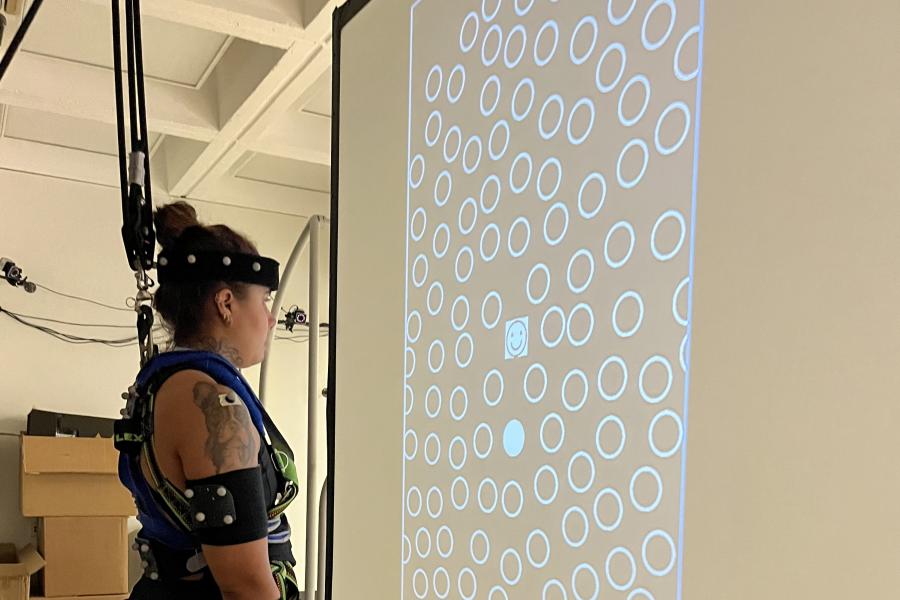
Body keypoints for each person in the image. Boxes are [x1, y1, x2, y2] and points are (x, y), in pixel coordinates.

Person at [116, 201, 300, 599]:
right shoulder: (211, 406)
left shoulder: (166, 383)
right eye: (264, 300)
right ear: (226, 303)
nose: (270, 319)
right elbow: (245, 585)